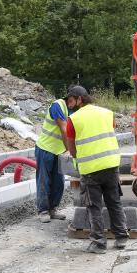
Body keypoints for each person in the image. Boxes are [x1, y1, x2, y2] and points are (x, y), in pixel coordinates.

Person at [64, 86, 129, 254]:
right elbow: (108, 133)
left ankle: (99, 243)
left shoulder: (74, 119)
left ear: (79, 99)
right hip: (111, 164)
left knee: (94, 207)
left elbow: (71, 148)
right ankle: (121, 237)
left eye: (72, 100)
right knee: (114, 202)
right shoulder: (107, 113)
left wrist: (78, 156)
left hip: (91, 169)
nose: (71, 105)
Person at [33, 89, 77, 223]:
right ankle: (43, 211)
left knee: (58, 182)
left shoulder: (73, 111)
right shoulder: (57, 105)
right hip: (46, 148)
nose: (75, 105)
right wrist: (70, 150)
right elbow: (64, 129)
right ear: (70, 98)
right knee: (44, 180)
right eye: (74, 101)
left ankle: (53, 209)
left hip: (59, 151)